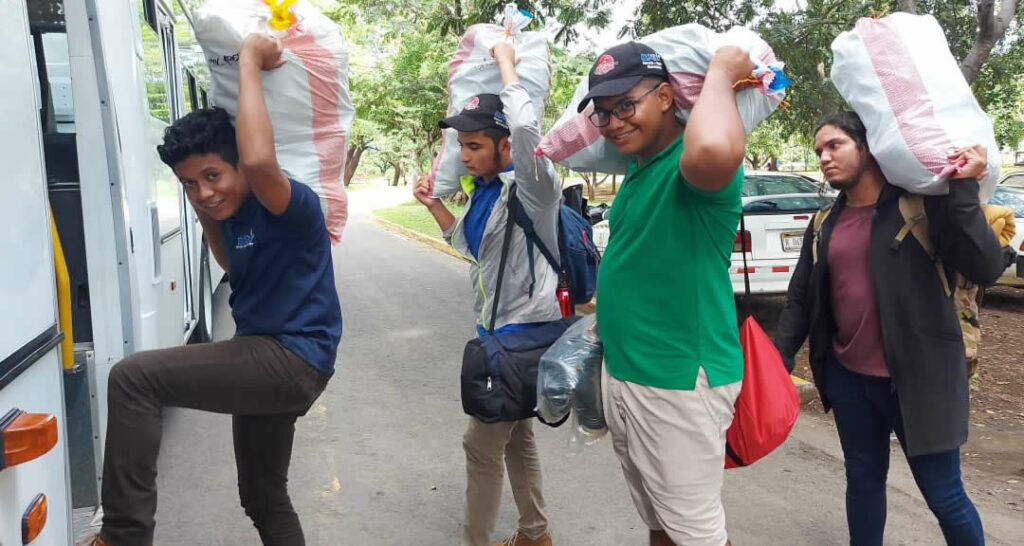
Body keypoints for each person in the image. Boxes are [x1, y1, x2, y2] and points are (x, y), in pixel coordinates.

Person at [80, 34, 341, 546]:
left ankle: (122, 536)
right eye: (188, 183)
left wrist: (247, 60)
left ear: (240, 161)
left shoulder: (289, 204)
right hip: (267, 358)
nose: (204, 191)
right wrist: (206, 202)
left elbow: (262, 164)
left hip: (289, 357)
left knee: (133, 378)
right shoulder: (238, 218)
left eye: (213, 175)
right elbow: (227, 259)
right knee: (263, 496)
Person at [774, 111, 1004, 546]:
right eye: (819, 149)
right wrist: (777, 356)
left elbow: (986, 265)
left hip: (921, 381)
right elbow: (801, 297)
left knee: (944, 494)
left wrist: (962, 189)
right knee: (862, 483)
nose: (824, 156)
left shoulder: (919, 207)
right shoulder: (826, 221)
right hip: (850, 380)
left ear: (867, 147)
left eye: (835, 145)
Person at [582, 41, 752, 546]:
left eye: (625, 106)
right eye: (603, 113)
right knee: (660, 522)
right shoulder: (639, 169)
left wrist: (721, 70)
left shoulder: (692, 166)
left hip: (678, 378)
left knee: (696, 534)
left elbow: (713, 148)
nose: (613, 123)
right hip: (630, 373)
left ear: (664, 97)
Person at [412, 42, 562, 546]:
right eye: (463, 146)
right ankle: (535, 533)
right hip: (497, 337)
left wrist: (506, 66)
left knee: (480, 445)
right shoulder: (485, 194)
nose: (466, 155)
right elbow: (477, 252)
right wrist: (435, 206)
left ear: (503, 147)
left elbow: (524, 130)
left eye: (475, 145)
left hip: (525, 335)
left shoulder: (534, 187)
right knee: (517, 437)